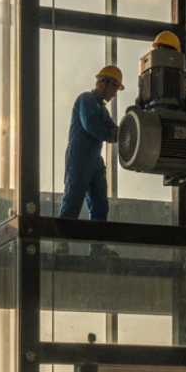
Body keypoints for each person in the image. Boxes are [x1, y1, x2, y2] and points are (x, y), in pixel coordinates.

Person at [57, 66, 123, 254]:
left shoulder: (102, 109)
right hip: (79, 157)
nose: (114, 94)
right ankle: (61, 243)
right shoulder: (85, 99)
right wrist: (110, 134)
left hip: (94, 160)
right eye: (114, 88)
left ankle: (97, 246)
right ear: (104, 83)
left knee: (100, 203)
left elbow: (113, 129)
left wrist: (128, 130)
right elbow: (91, 126)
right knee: (73, 199)